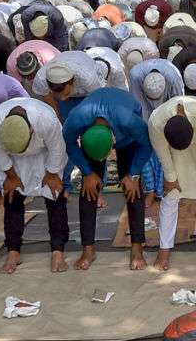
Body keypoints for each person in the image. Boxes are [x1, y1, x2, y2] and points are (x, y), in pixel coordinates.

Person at [62, 87, 153, 271]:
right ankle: (88, 249)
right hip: (95, 137)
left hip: (127, 138)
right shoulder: (75, 120)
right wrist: (87, 172)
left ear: (113, 139)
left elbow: (146, 144)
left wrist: (133, 174)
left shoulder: (129, 122)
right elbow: (69, 145)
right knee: (89, 189)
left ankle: (137, 248)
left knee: (133, 189)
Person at [0, 96, 69, 274]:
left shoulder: (46, 120)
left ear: (31, 130)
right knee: (12, 198)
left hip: (44, 153)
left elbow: (57, 148)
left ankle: (57, 250)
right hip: (11, 158)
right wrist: (11, 176)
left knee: (54, 197)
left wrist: (52, 174)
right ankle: (13, 251)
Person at [148, 96, 196, 271]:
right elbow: (161, 150)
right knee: (170, 195)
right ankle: (164, 249)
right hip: (173, 154)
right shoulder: (156, 122)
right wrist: (170, 177)